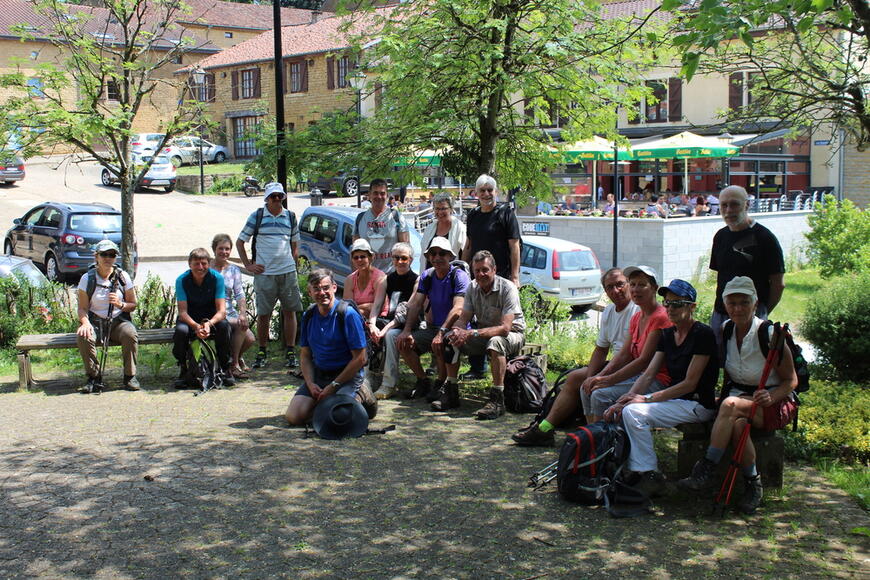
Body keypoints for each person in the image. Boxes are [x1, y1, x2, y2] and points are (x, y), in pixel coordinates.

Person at [678, 277, 797, 514]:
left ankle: (707, 468)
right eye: (732, 303)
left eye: (744, 302)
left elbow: (792, 380)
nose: (738, 308)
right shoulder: (726, 330)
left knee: (731, 405)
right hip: (742, 400)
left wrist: (771, 397)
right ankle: (754, 484)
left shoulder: (769, 333)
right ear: (725, 305)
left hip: (774, 402)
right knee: (738, 425)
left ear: (755, 304)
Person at [601, 279, 719, 497]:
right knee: (625, 408)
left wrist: (644, 400)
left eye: (677, 304)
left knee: (635, 413)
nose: (670, 309)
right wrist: (626, 397)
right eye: (667, 304)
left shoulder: (703, 334)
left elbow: (690, 383)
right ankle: (632, 469)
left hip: (697, 403)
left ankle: (648, 474)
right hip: (676, 401)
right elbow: (648, 373)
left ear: (692, 306)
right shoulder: (667, 335)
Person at [512, 267, 639, 446]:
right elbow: (601, 350)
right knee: (577, 379)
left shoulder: (636, 310)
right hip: (615, 364)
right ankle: (548, 429)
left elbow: (629, 355)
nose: (616, 290)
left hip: (630, 368)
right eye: (610, 287)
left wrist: (599, 378)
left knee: (589, 385)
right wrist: (590, 377)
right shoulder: (610, 311)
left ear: (628, 284)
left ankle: (591, 439)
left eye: (620, 285)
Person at [285, 269, 376, 426]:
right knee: (294, 417)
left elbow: (360, 358)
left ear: (334, 287)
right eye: (317, 289)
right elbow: (305, 355)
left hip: (347, 376)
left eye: (326, 287)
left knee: (337, 419)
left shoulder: (347, 314)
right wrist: (310, 383)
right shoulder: (309, 315)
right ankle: (327, 405)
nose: (322, 292)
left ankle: (362, 392)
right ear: (309, 292)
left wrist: (334, 386)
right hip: (320, 374)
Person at [443, 250, 525, 419]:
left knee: (496, 342)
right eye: (477, 270)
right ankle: (451, 392)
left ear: (494, 270)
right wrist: (457, 331)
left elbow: (505, 328)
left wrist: (471, 332)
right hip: (483, 333)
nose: (481, 274)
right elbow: (463, 317)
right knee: (450, 339)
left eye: (485, 270)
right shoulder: (472, 287)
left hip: (513, 334)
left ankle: (497, 400)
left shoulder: (507, 288)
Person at [236, 182, 303, 369]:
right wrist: (248, 265)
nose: (276, 199)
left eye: (279, 196)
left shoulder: (290, 217)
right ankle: (262, 350)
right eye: (273, 196)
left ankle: (290, 350)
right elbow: (240, 242)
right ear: (266, 198)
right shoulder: (257, 216)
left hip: (287, 272)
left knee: (290, 312)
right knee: (264, 314)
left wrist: (293, 262)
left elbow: (295, 243)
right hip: (265, 274)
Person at [392, 237, 470, 400]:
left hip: (454, 329)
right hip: (433, 327)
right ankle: (423, 381)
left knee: (441, 343)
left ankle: (441, 384)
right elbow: (416, 304)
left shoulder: (459, 276)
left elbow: (458, 308)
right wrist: (406, 330)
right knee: (403, 343)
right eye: (433, 253)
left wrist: (441, 332)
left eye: (442, 253)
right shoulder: (427, 276)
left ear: (450, 256)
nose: (437, 257)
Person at [709, 185, 785, 345]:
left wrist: (761, 312)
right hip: (721, 314)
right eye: (724, 205)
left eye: (734, 204)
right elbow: (721, 276)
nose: (728, 210)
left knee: (751, 365)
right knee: (720, 363)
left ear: (747, 205)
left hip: (752, 317)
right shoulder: (720, 236)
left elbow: (778, 284)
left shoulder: (765, 238)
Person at [462, 174, 520, 380]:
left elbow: (514, 246)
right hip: (477, 276)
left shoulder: (506, 214)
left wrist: (515, 276)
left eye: (490, 190)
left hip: (500, 276)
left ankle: (509, 369)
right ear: (476, 193)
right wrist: (462, 268)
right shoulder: (473, 216)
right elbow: (468, 244)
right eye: (482, 190)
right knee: (476, 319)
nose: (486, 194)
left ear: (495, 191)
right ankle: (478, 368)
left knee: (502, 324)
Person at [75, 240, 139, 393]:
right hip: (95, 321)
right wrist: (85, 323)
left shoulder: (122, 277)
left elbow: (133, 304)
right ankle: (93, 377)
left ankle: (130, 376)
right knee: (84, 335)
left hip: (118, 321)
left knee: (130, 334)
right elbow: (82, 308)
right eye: (104, 254)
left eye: (112, 255)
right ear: (96, 256)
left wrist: (120, 304)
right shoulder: (87, 279)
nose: (108, 258)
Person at [172, 248, 235, 388]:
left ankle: (226, 368)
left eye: (204, 263)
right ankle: (184, 368)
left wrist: (208, 325)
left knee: (225, 327)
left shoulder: (217, 278)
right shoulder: (181, 280)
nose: (200, 267)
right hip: (190, 318)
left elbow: (222, 311)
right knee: (181, 332)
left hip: (212, 318)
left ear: (209, 263)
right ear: (190, 264)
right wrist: (196, 327)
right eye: (196, 264)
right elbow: (182, 312)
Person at [368, 242, 419, 399]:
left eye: (404, 258)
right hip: (389, 322)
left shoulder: (416, 280)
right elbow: (376, 306)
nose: (400, 262)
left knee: (390, 336)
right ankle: (365, 378)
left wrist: (383, 331)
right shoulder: (387, 279)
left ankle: (388, 384)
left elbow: (405, 311)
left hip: (410, 323)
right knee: (365, 331)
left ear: (410, 259)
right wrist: (372, 325)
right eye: (396, 258)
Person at [212, 233, 255, 380]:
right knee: (240, 326)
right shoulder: (207, 267)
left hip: (230, 311)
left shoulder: (234, 270)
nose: (224, 252)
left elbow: (239, 294)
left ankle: (232, 358)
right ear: (214, 249)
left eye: (227, 249)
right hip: (214, 312)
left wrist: (242, 313)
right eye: (221, 248)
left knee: (250, 338)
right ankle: (234, 364)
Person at [353, 178, 410, 273]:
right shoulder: (360, 218)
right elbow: (355, 251)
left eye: (382, 193)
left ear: (387, 195)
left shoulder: (396, 217)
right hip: (368, 275)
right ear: (369, 195)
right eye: (375, 193)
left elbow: (406, 248)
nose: (379, 196)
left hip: (391, 275)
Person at [343, 239, 387, 320]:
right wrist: (364, 307)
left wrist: (358, 308)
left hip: (378, 318)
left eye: (363, 256)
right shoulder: (350, 280)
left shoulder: (380, 278)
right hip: (356, 316)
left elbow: (379, 306)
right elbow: (347, 306)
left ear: (371, 258)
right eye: (356, 257)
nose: (359, 260)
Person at [421, 193, 467, 267]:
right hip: (430, 275)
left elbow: (466, 253)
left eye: (443, 208)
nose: (440, 212)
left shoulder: (460, 228)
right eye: (437, 208)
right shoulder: (428, 229)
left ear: (451, 209)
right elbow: (423, 257)